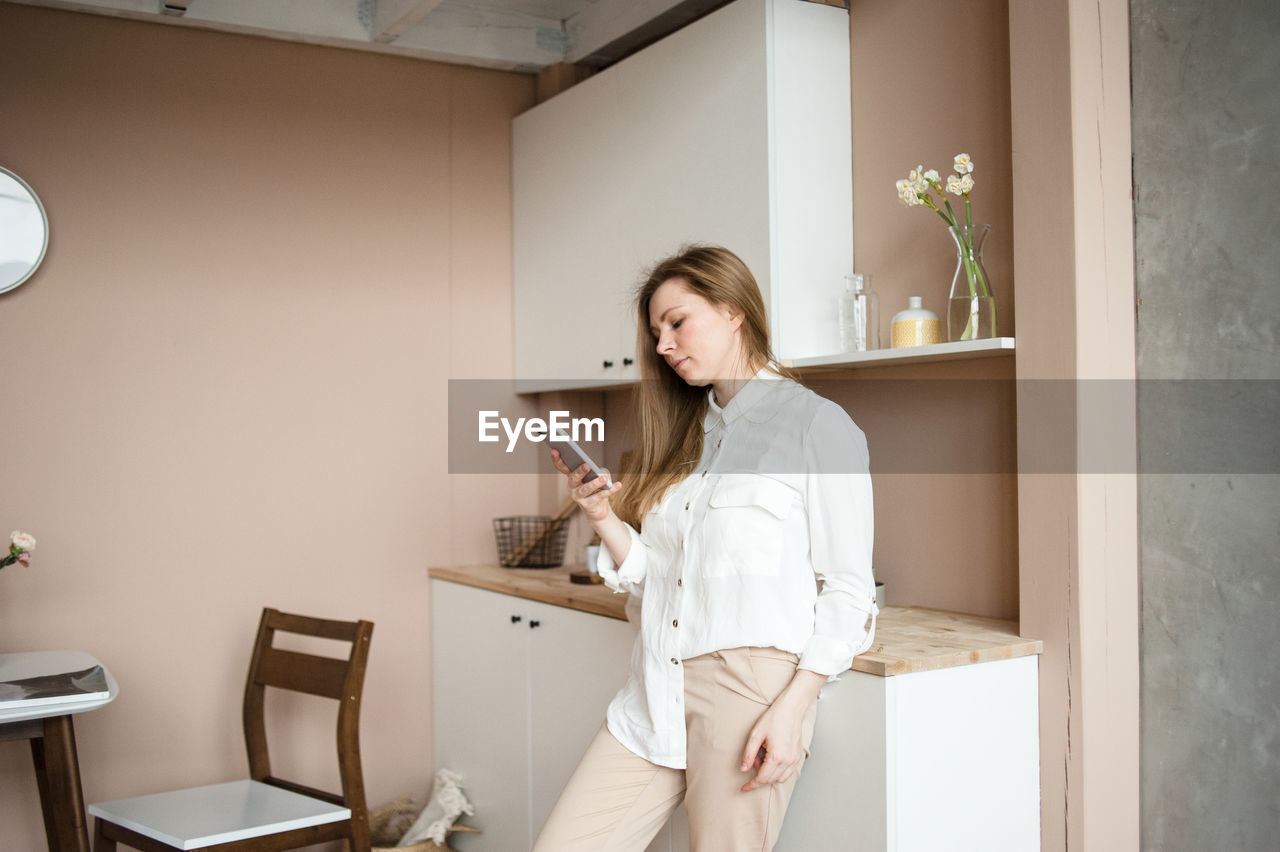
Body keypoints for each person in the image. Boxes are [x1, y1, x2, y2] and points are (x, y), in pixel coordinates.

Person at [536, 245, 877, 851]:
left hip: (747, 696)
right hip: (653, 687)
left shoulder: (816, 427)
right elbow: (659, 574)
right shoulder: (689, 437)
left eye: (676, 321)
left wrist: (794, 708)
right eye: (656, 332)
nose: (664, 345)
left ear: (733, 310)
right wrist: (602, 516)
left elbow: (849, 589)